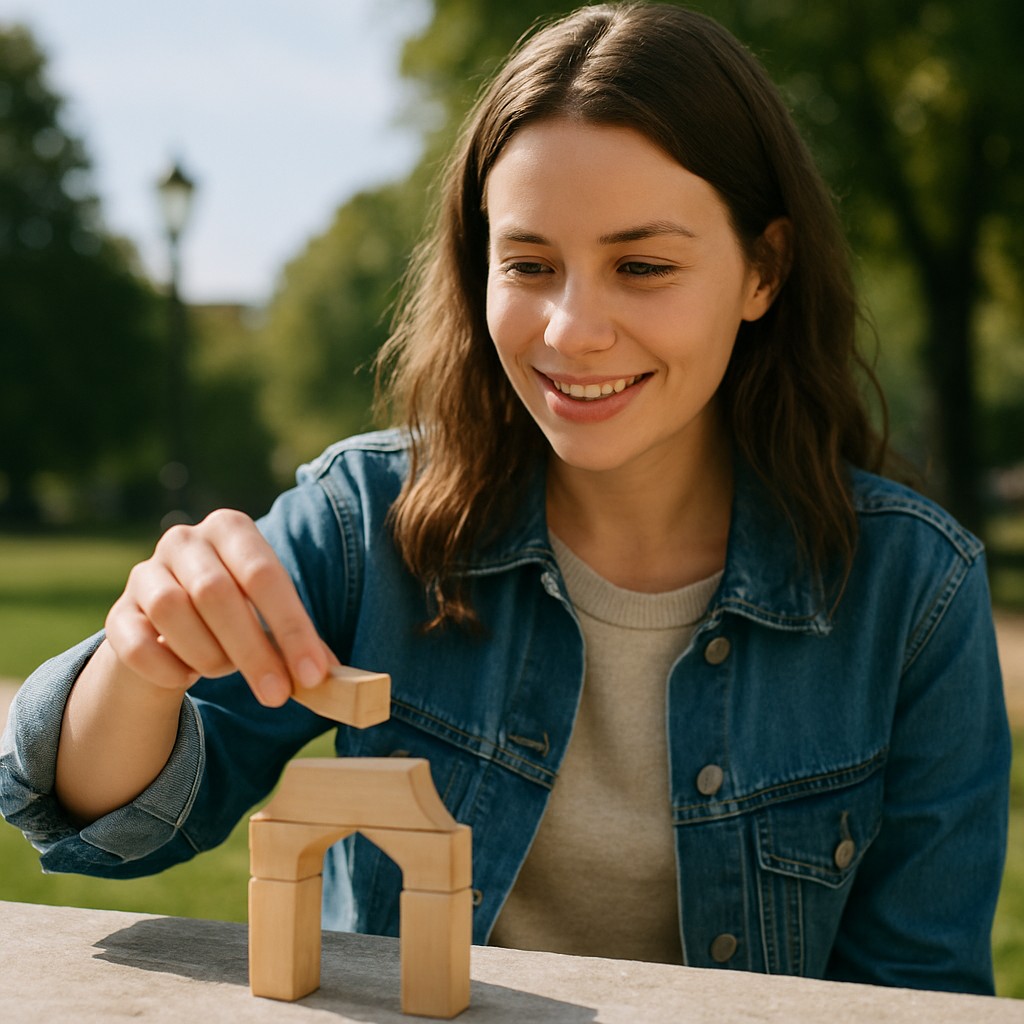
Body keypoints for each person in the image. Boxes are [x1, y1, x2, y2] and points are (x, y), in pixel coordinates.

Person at [0, 1, 1010, 996]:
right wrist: (142, 657)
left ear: (763, 267)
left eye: (642, 265)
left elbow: (915, 995)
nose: (570, 330)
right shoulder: (369, 521)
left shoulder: (913, 592)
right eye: (527, 263)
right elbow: (108, 827)